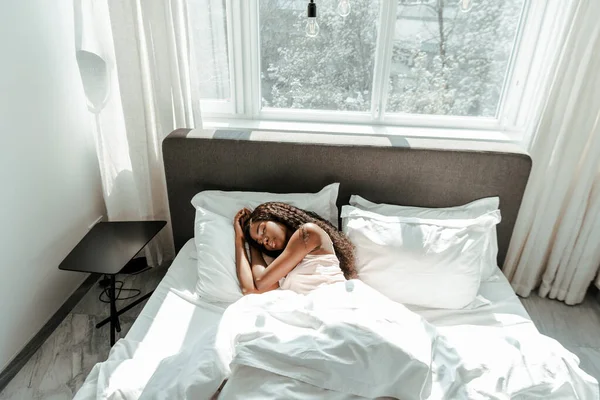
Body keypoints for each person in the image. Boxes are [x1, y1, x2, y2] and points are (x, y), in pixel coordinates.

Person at [233, 202, 356, 295]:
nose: (264, 240)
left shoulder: (308, 233)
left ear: (276, 217)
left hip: (336, 300)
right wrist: (243, 241)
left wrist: (248, 241)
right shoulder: (285, 265)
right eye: (260, 242)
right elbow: (250, 290)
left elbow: (260, 283)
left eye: (263, 229)